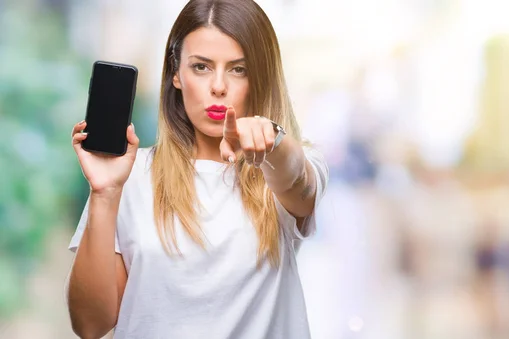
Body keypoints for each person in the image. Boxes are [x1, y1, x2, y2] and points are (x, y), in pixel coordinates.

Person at [65, 1, 329, 338]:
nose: (218, 86)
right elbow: (90, 325)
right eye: (201, 67)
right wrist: (104, 193)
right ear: (176, 73)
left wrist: (273, 141)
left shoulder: (287, 167)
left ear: (260, 76)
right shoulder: (128, 175)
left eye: (238, 69)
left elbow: (298, 180)